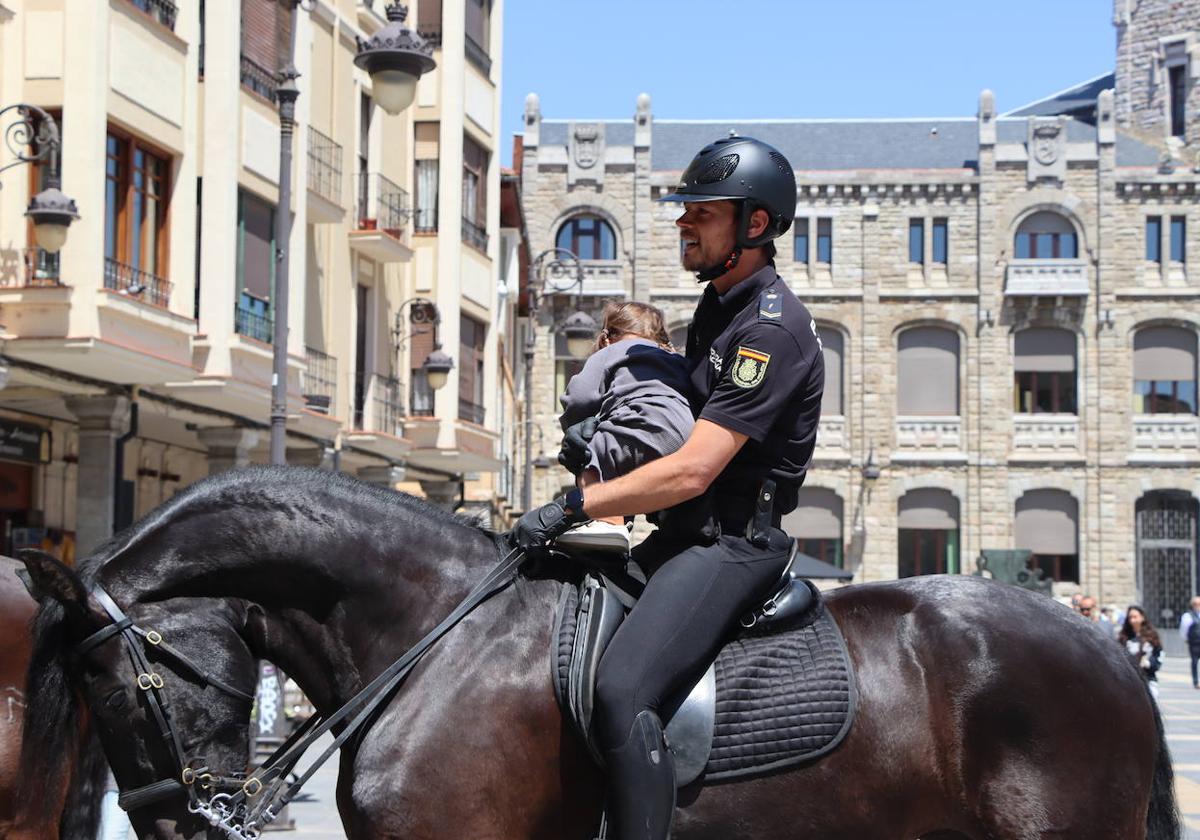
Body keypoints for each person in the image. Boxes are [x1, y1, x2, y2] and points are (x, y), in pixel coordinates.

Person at [512, 135, 823, 840]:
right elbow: (670, 429)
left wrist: (572, 506)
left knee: (623, 694)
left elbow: (694, 468)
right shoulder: (718, 309)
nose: (684, 224)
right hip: (685, 534)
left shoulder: (771, 331)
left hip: (735, 545)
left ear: (755, 225)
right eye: (685, 211)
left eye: (702, 213)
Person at [555, 301, 697, 554]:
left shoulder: (612, 352)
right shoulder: (675, 359)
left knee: (590, 451)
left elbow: (579, 397)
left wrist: (572, 427)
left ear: (607, 337)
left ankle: (607, 522)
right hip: (688, 439)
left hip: (643, 424)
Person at [1119, 605, 1163, 703]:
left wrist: (1147, 663)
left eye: (1135, 617)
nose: (1132, 620)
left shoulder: (1152, 636)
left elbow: (1158, 658)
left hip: (1148, 678)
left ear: (1142, 617)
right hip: (1129, 680)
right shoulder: (1124, 636)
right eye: (1130, 617)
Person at [1179, 595, 1200, 688]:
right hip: (1194, 643)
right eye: (1196, 604)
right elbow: (1184, 629)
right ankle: (1196, 681)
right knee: (1195, 662)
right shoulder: (1187, 616)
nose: (1198, 606)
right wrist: (1187, 639)